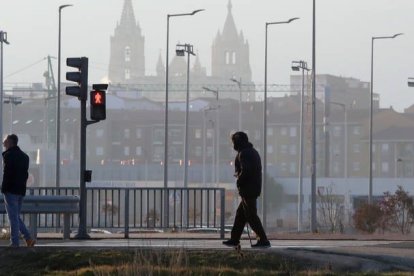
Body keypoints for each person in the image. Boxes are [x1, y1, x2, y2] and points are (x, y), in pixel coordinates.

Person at [223, 131, 271, 248]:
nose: (233, 144)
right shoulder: (252, 152)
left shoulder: (244, 153)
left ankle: (263, 240)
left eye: (234, 142)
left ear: (238, 142)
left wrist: (239, 181)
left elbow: (246, 170)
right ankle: (234, 239)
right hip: (252, 188)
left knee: (251, 215)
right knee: (241, 215)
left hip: (248, 189)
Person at [2, 134, 35, 247]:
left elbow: (7, 174)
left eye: (5, 141)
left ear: (10, 142)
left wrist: (3, 188)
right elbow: (25, 174)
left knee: (13, 217)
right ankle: (28, 239)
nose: (3, 143)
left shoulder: (8, 155)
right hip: (21, 190)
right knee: (15, 216)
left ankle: (15, 243)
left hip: (10, 190)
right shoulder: (25, 157)